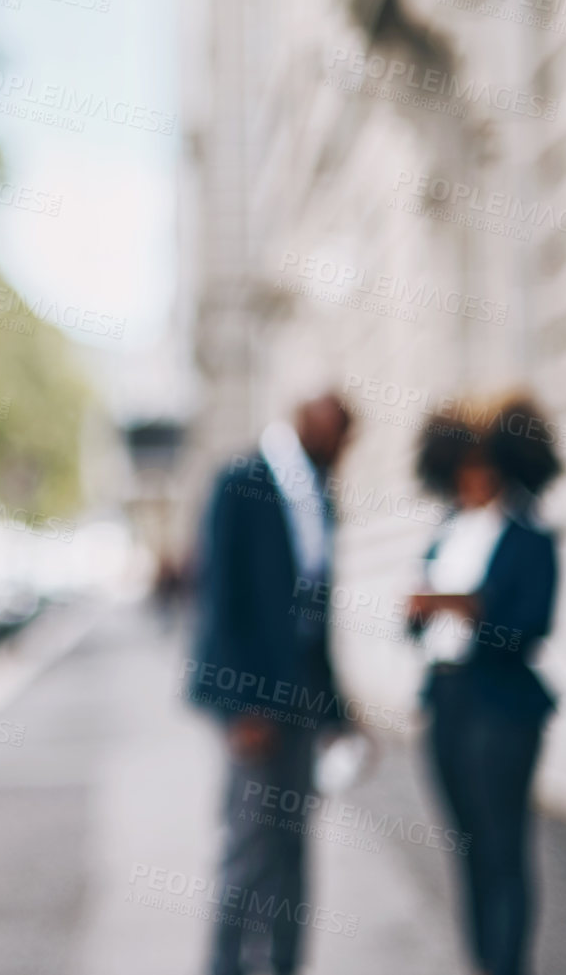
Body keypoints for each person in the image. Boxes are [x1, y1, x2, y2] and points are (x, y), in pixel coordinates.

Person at [185, 392, 354, 975]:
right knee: (249, 848)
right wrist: (241, 708)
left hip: (303, 699)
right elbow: (219, 599)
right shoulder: (242, 480)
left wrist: (337, 713)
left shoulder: (319, 493)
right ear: (312, 424)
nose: (345, 449)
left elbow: (315, 614)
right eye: (340, 434)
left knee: (293, 847)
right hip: (255, 703)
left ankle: (284, 965)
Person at [406, 394, 562, 975]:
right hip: (446, 700)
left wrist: (468, 607)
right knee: (465, 846)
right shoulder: (447, 530)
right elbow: (416, 626)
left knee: (503, 846)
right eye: (461, 467)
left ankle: (507, 963)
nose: (472, 477)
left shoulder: (529, 535)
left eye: (483, 465)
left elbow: (531, 628)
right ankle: (481, 961)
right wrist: (423, 611)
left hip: (502, 707)